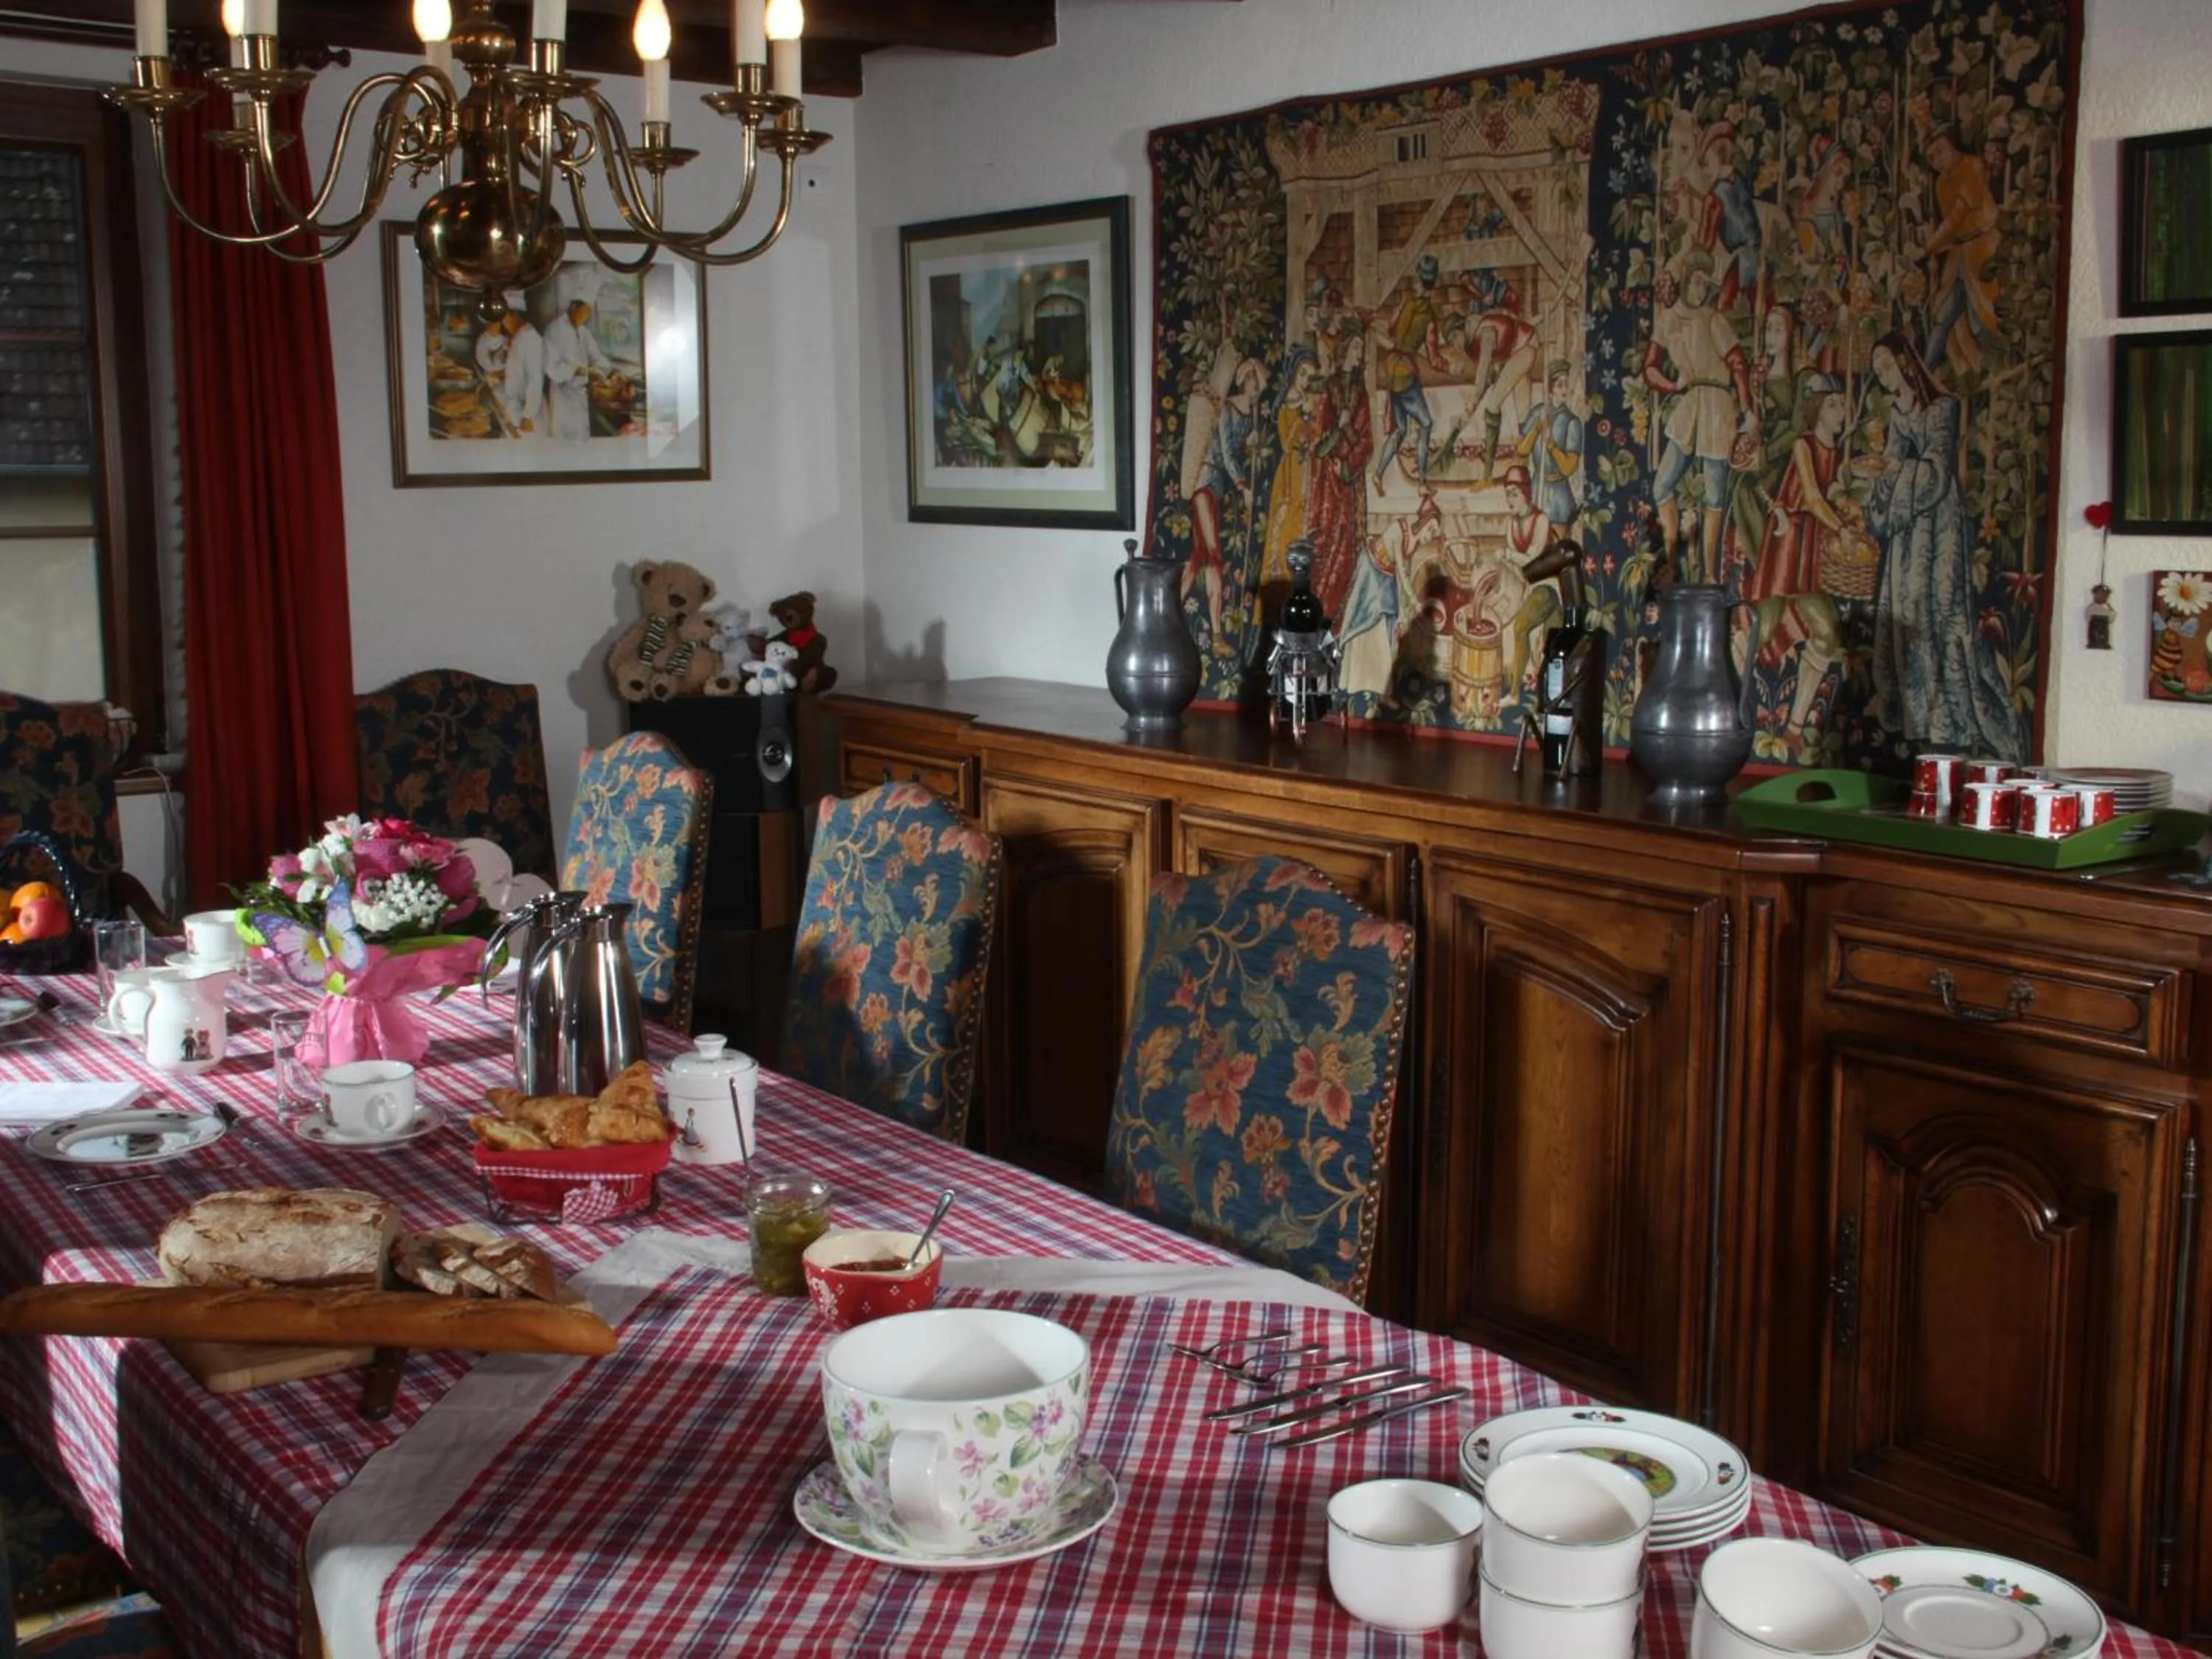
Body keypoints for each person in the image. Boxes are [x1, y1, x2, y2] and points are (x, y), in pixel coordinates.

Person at [1863, 331, 2023, 757]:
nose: (1883, 375)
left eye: (1886, 365)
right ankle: (1918, 717)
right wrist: (1883, 476)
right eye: (1877, 371)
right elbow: (1891, 466)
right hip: (1907, 525)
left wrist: (1895, 469)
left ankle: (1953, 718)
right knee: (1906, 605)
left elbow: (1935, 469)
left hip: (1938, 521)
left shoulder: (1942, 408)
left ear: (1905, 361)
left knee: (1941, 606)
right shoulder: (1897, 414)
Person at [1742, 380, 1852, 736]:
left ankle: (1796, 724)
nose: (1842, 411)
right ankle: (1730, 707)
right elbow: (1814, 498)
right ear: (1818, 408)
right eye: (1835, 404)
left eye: (1843, 405)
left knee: (1828, 632)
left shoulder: (1840, 451)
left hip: (1813, 550)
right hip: (1789, 545)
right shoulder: (1805, 445)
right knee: (1764, 626)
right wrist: (1841, 527)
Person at [1646, 252, 1753, 582]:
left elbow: (1737, 362)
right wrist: (1673, 387)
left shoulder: (1712, 318)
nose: (1699, 289)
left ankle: (1709, 573)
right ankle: (1672, 564)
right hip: (1691, 402)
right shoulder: (1667, 320)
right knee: (1662, 484)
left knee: (1715, 493)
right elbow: (1650, 367)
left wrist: (1747, 410)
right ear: (1685, 279)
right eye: (1695, 280)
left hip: (1717, 405)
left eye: (1705, 284)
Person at [1183, 357, 1265, 655]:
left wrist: (1251, 445)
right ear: (1244, 378)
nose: (1257, 387)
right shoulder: (1229, 409)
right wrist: (1243, 486)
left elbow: (1236, 453)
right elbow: (1228, 455)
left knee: (1197, 558)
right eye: (1254, 380)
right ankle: (1217, 637)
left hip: (1216, 491)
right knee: (1214, 555)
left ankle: (1168, 615)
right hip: (1205, 483)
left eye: (1260, 382)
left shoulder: (1249, 414)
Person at [1917, 126, 2001, 372]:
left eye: (1940, 151)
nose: (1937, 160)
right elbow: (1951, 229)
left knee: (1983, 315)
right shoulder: (1942, 183)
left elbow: (1956, 218)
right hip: (1960, 255)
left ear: (1952, 145)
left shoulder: (1973, 167)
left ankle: (1987, 370)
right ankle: (1927, 373)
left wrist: (1927, 248)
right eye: (1931, 157)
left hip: (1984, 248)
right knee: (1944, 314)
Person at [1308, 334, 1373, 624]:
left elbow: (1367, 440)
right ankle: (1321, 609)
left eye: (1362, 348)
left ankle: (1342, 618)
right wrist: (1341, 429)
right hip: (1329, 481)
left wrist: (1348, 466)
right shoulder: (1330, 390)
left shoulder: (1361, 392)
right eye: (1357, 346)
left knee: (1349, 543)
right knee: (1327, 541)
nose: (1360, 353)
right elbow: (1319, 445)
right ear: (1347, 348)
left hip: (1350, 478)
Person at [1372, 253, 1450, 486]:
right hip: (1406, 375)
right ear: (1432, 284)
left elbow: (1392, 328)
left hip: (1392, 372)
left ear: (1419, 281)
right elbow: (1434, 358)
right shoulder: (1429, 317)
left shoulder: (1404, 303)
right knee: (1426, 423)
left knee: (1400, 430)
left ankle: (1378, 473)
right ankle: (1423, 482)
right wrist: (1450, 367)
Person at [1514, 361, 1584, 532]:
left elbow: (1568, 467)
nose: (1564, 390)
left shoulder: (1572, 422)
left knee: (1559, 548)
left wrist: (1550, 443)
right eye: (1560, 385)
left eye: (1566, 385)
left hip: (1559, 493)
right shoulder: (1538, 413)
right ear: (1551, 389)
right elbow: (1522, 450)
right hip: (1538, 489)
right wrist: (1536, 429)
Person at [543, 299, 608, 442]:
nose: (586, 318)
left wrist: (608, 371)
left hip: (580, 396)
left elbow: (596, 356)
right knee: (563, 443)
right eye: (584, 313)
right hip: (562, 397)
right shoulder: (554, 330)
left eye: (588, 315)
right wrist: (581, 370)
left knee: (582, 441)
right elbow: (552, 368)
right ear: (574, 309)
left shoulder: (583, 331)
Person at [498, 305, 546, 436]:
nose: (502, 323)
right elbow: (518, 370)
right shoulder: (518, 336)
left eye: (503, 318)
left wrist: (528, 415)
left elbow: (535, 378)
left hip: (527, 412)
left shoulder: (530, 338)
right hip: (516, 409)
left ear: (513, 314)